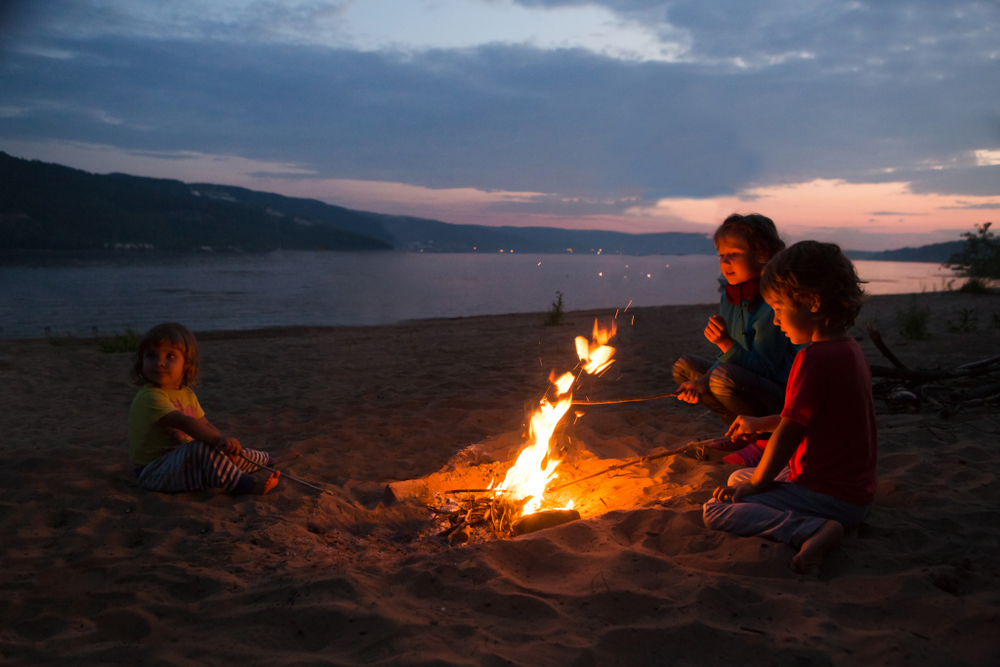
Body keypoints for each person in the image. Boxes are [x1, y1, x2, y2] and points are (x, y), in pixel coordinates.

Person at [702, 241, 876, 574]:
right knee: (740, 475)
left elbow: (789, 435)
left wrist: (757, 486)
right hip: (857, 493)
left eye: (779, 309)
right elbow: (806, 418)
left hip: (830, 496)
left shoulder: (812, 360)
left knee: (718, 508)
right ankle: (816, 517)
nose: (777, 320)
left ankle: (810, 529)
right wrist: (759, 424)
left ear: (811, 302)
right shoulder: (848, 349)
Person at [673, 213, 799, 466]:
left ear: (762, 256)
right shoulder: (730, 298)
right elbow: (729, 359)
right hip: (746, 380)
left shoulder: (772, 303)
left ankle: (764, 439)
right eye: (721, 255)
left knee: (721, 378)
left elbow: (765, 369)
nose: (725, 262)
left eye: (735, 254)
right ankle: (741, 432)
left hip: (782, 401)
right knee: (686, 368)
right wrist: (702, 381)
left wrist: (724, 343)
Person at [128, 322, 286, 496]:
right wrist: (216, 441)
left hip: (183, 462)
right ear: (141, 361)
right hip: (153, 471)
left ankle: (269, 460)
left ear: (186, 364)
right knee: (203, 446)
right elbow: (184, 422)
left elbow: (205, 424)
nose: (159, 363)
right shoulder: (150, 396)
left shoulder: (187, 394)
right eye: (151, 356)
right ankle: (247, 486)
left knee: (229, 451)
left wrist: (223, 444)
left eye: (170, 356)